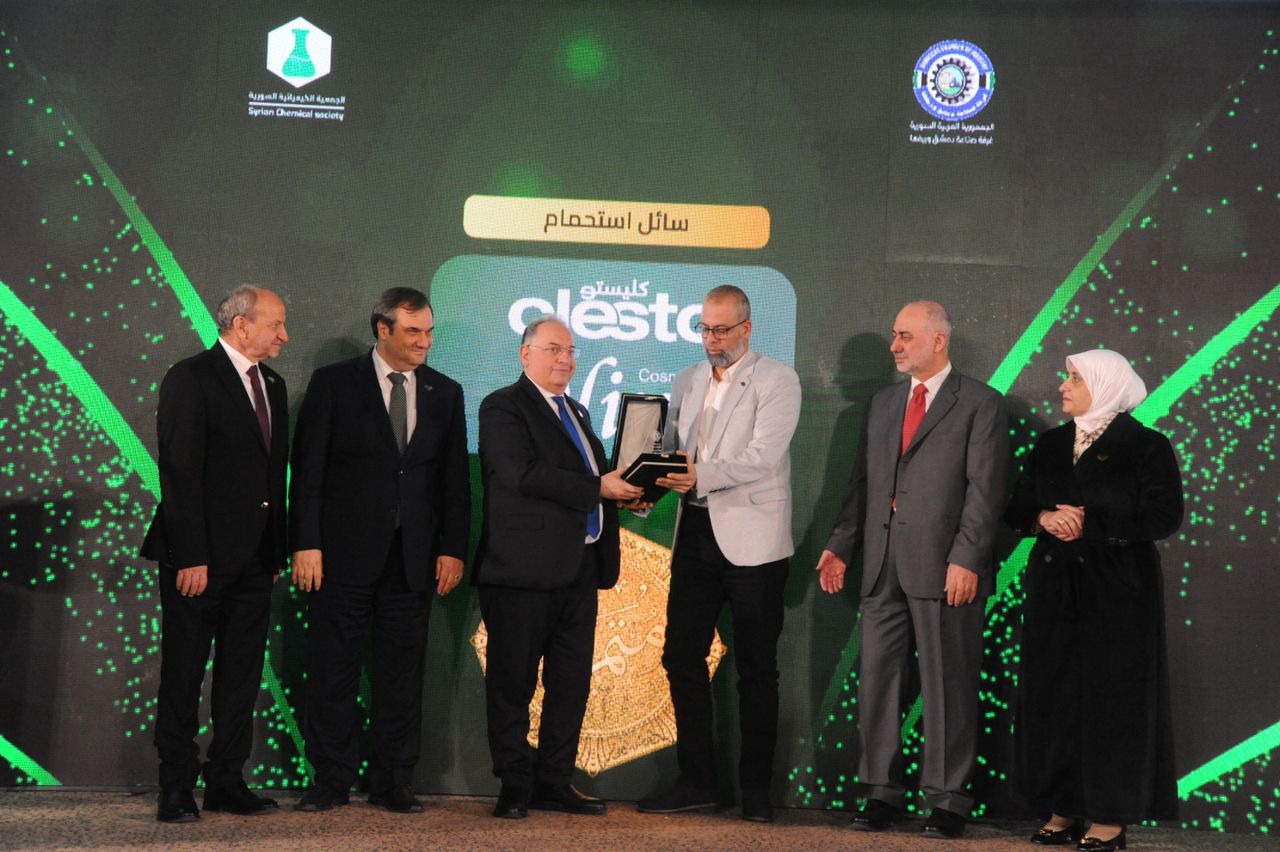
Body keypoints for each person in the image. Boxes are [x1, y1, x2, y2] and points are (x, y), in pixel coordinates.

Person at [817, 300, 1008, 839]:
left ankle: (948, 800)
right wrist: (841, 545)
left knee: (948, 685)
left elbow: (986, 491)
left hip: (946, 569)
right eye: (894, 336)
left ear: (938, 341)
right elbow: (862, 484)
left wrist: (966, 559)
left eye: (905, 336)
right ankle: (881, 792)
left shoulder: (980, 403)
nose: (895, 346)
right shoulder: (882, 404)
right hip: (882, 566)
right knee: (878, 683)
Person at [289, 288, 470, 814]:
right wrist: (306, 542)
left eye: (429, 332)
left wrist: (452, 548)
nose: (424, 342)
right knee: (333, 671)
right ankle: (330, 780)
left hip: (413, 560)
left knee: (402, 676)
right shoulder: (334, 383)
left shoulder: (445, 391)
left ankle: (393, 782)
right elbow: (309, 471)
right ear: (382, 329)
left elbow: (454, 481)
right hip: (340, 557)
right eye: (413, 332)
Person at [1006, 350, 1183, 852]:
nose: (1063, 386)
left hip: (1119, 593)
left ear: (1104, 385)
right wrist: (1042, 518)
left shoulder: (1146, 446)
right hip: (1055, 590)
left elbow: (1165, 516)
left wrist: (1092, 524)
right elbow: (1016, 506)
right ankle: (1062, 807)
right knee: (1055, 697)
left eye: (1075, 378)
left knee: (1113, 703)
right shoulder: (1050, 444)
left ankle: (1109, 816)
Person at [636, 285, 801, 823]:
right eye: (705, 328)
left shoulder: (778, 379)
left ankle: (756, 791)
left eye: (722, 329)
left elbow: (762, 458)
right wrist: (645, 488)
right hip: (695, 535)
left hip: (756, 543)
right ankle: (697, 780)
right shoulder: (686, 379)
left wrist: (697, 476)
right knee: (680, 656)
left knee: (757, 669)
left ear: (747, 329)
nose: (712, 339)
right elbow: (669, 452)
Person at [474, 315, 644, 819]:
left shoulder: (577, 411)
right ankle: (514, 784)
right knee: (512, 684)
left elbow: (592, 480)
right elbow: (521, 474)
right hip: (521, 572)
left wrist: (625, 494)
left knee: (570, 685)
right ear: (525, 354)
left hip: (580, 569)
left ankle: (553, 781)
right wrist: (599, 487)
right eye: (554, 349)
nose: (565, 359)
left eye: (570, 351)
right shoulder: (502, 406)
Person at [141, 285, 289, 822]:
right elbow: (179, 470)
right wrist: (191, 555)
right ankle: (176, 785)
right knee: (184, 673)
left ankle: (227, 779)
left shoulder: (273, 384)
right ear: (241, 324)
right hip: (198, 560)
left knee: (241, 675)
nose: (284, 335)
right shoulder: (191, 376)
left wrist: (276, 552)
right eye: (276, 324)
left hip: (256, 560)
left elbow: (273, 476)